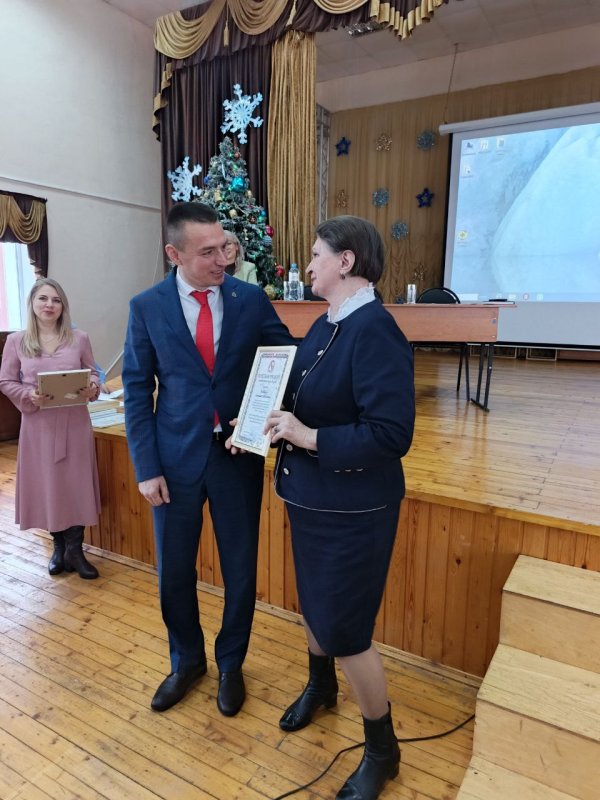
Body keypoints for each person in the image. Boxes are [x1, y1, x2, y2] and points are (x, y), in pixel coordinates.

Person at [264, 216, 415, 800]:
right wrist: (259, 426)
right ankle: (321, 687)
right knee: (315, 604)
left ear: (346, 261)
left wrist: (307, 436)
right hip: (310, 498)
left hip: (354, 511)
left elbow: (391, 434)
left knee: (347, 631)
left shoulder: (374, 330)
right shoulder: (328, 322)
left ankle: (383, 750)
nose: (307, 265)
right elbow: (301, 400)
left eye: (316, 254)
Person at [122, 201, 292, 716]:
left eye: (225, 247)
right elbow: (137, 389)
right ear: (174, 254)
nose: (223, 260)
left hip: (237, 457)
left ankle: (232, 663)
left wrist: (265, 415)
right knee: (174, 571)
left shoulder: (249, 298)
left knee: (240, 569)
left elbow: (283, 359)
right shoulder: (147, 307)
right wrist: (146, 468)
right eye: (208, 252)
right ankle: (187, 662)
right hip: (173, 461)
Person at [0, 278, 102, 580]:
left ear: (63, 306)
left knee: (76, 483)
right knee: (49, 485)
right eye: (43, 299)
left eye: (56, 300)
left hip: (75, 422)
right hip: (38, 425)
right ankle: (58, 548)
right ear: (32, 303)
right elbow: (6, 381)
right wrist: (27, 395)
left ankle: (76, 550)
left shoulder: (79, 338)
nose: (49, 305)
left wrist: (93, 387)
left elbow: (93, 373)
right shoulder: (17, 341)